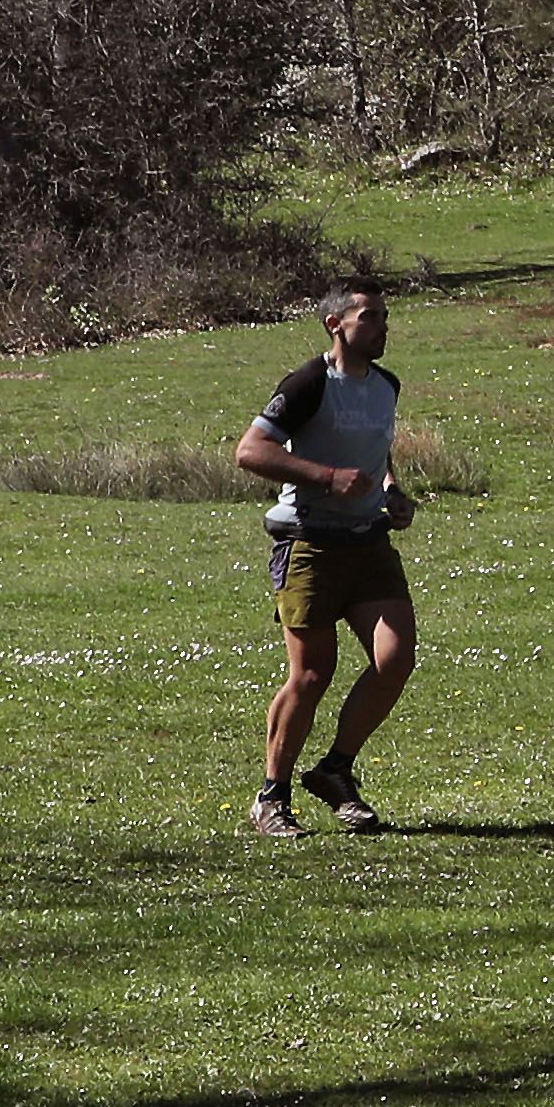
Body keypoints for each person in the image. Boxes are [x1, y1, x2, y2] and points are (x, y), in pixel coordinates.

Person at [235, 279, 419, 836]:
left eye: (385, 316)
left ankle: (336, 771)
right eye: (370, 317)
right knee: (312, 674)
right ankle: (272, 798)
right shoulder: (310, 383)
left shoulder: (386, 385)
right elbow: (251, 451)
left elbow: (374, 449)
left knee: (395, 659)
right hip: (309, 543)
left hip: (368, 541)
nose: (383, 326)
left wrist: (390, 488)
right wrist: (327, 478)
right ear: (335, 324)